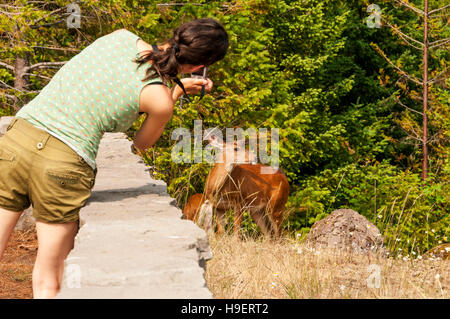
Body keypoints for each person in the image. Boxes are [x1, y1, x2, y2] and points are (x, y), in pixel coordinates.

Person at [0, 18, 229, 298]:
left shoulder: (120, 37)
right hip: (64, 162)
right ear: (198, 67)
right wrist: (175, 92)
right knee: (50, 278)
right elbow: (140, 145)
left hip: (17, 139)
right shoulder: (159, 99)